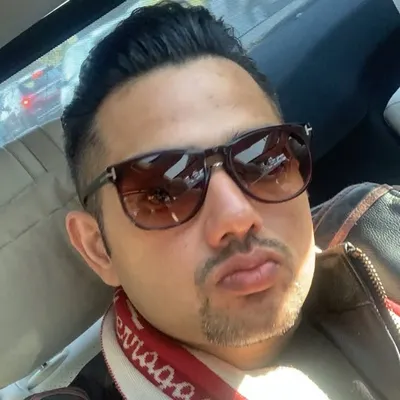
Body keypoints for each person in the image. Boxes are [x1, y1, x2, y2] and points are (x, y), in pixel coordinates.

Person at [61, 2, 400, 399]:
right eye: (162, 191)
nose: (237, 216)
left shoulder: (380, 223)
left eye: (263, 158)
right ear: (98, 249)